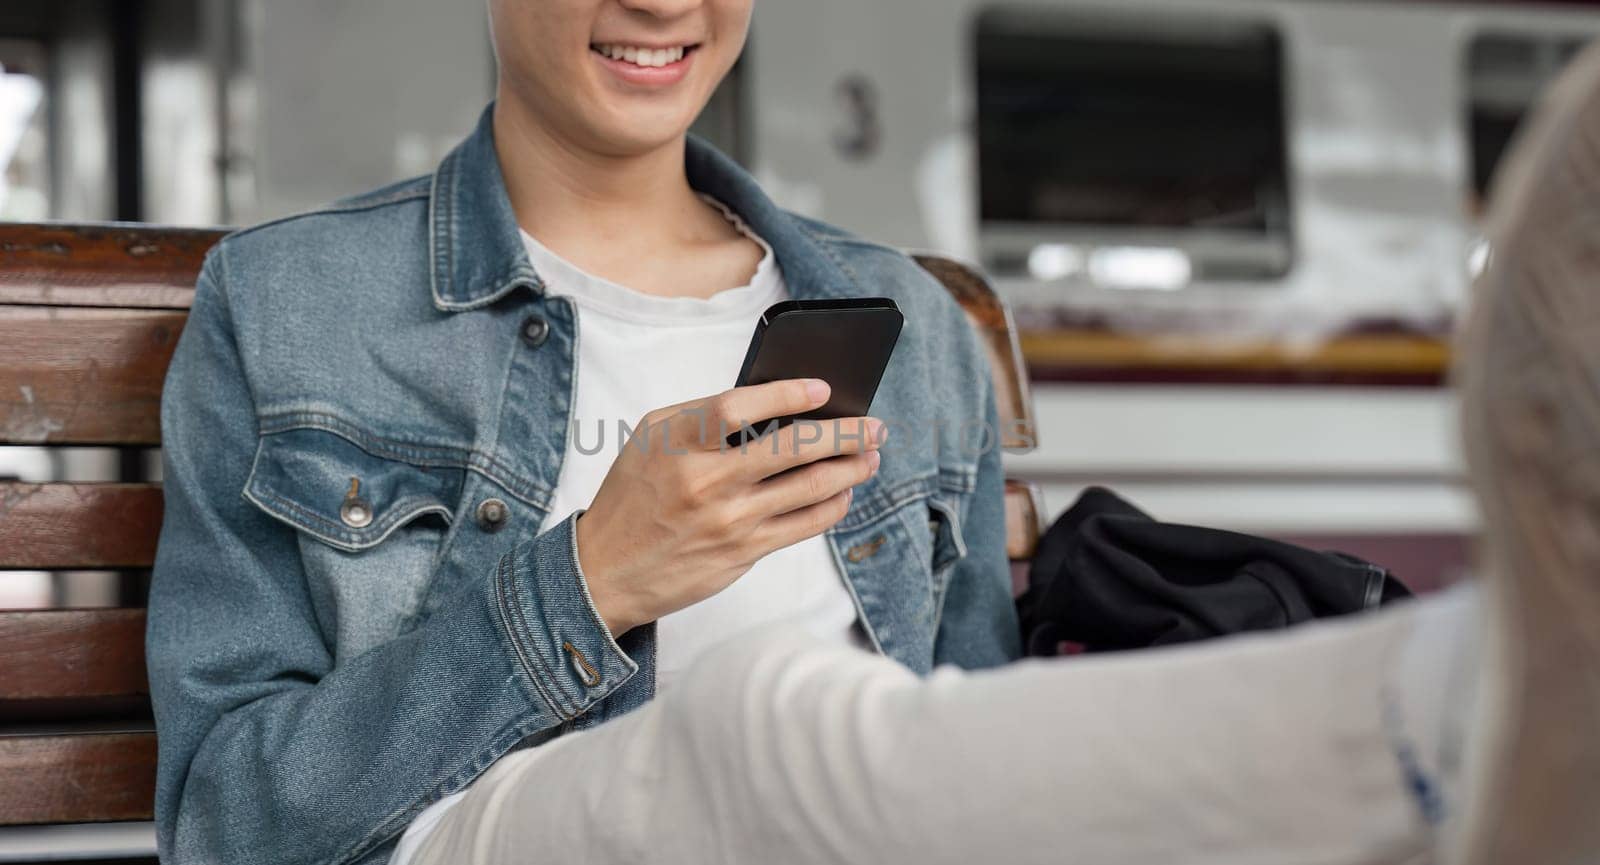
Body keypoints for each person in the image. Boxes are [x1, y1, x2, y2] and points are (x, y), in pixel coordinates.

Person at [143, 2, 1599, 864]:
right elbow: (222, 819)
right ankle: (1452, 703)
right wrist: (587, 578)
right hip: (516, 833)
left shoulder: (897, 316)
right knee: (751, 730)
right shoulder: (291, 308)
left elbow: (956, 736)